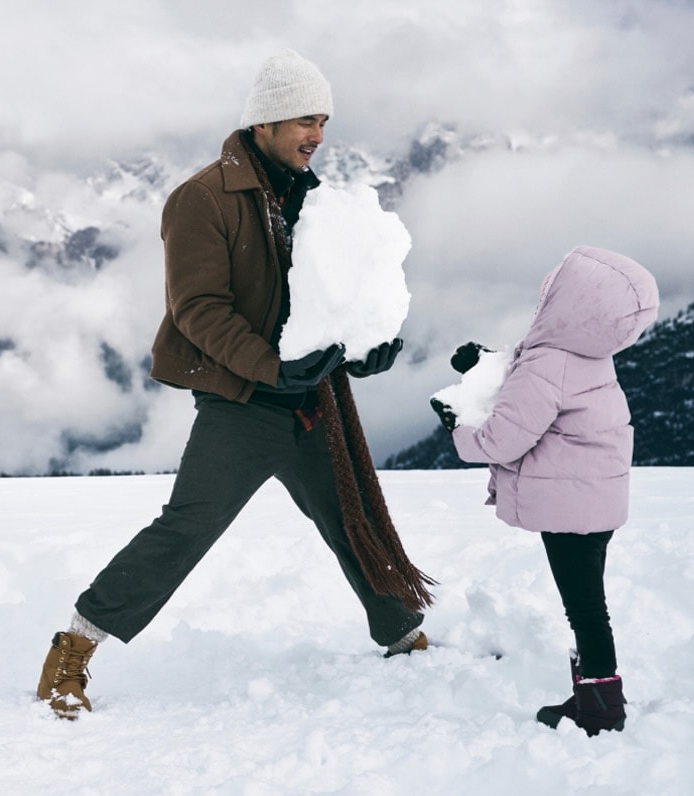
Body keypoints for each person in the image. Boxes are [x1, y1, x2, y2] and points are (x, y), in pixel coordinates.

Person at [35, 50, 438, 720]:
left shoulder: (312, 198)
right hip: (242, 404)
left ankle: (402, 634)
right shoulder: (202, 199)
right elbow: (198, 310)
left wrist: (360, 350)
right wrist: (272, 368)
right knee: (187, 528)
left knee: (352, 518)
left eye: (324, 121)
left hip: (313, 399)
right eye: (306, 120)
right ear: (265, 121)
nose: (318, 134)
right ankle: (71, 652)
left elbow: (326, 304)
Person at [430, 246, 660, 736]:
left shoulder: (549, 362)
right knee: (587, 606)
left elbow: (503, 438)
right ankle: (591, 696)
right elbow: (538, 389)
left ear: (572, 302)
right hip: (595, 501)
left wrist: (457, 425)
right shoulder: (589, 355)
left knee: (586, 610)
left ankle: (601, 708)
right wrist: (487, 363)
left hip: (569, 507)